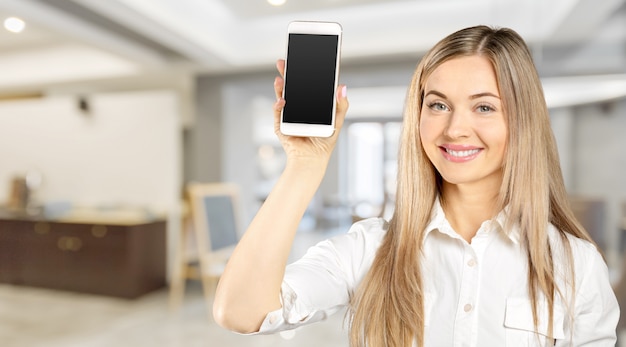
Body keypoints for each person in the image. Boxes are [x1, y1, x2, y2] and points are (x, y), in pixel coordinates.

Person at [213, 25, 619, 346]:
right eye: (438, 105)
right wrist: (304, 166)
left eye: (484, 107)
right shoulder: (370, 249)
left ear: (522, 121)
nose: (456, 128)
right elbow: (240, 312)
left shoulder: (576, 266)